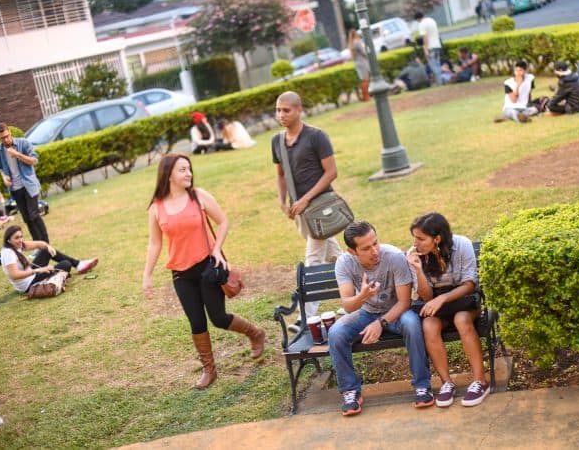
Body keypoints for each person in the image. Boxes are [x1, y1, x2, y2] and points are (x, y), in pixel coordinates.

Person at [142, 153, 265, 389]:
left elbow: (223, 221)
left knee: (218, 318)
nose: (188, 173)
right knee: (196, 322)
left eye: (189, 169)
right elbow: (154, 243)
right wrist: (146, 276)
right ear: (168, 175)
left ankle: (255, 333)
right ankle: (209, 370)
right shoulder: (156, 208)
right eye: (182, 170)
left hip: (208, 266)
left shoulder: (198, 197)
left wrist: (217, 250)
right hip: (180, 273)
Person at [329, 221, 433, 416]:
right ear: (352, 251)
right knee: (336, 333)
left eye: (375, 243)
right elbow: (348, 305)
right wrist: (363, 296)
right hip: (366, 312)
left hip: (396, 312)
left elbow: (404, 302)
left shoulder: (393, 256)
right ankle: (351, 391)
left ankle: (422, 385)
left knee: (412, 324)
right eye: (366, 248)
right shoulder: (344, 262)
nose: (374, 251)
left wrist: (380, 323)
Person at [271, 91, 343, 329]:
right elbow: (281, 174)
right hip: (300, 210)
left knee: (313, 259)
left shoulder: (316, 136)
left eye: (286, 110)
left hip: (321, 208)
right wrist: (283, 201)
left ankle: (306, 315)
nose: (281, 114)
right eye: (278, 110)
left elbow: (331, 172)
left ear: (299, 110)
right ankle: (366, 288)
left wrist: (306, 199)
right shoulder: (277, 141)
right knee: (335, 256)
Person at [407, 212, 490, 407]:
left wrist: (443, 298)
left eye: (421, 238)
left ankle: (480, 381)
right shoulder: (414, 255)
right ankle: (447, 383)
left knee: (461, 319)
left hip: (464, 300)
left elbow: (470, 284)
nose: (415, 243)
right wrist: (418, 269)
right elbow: (427, 297)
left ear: (437, 238)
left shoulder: (462, 245)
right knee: (428, 324)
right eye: (414, 238)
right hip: (437, 304)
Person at [0, 225, 98, 294]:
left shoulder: (16, 245)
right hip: (28, 284)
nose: (20, 240)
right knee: (65, 264)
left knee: (47, 251)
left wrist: (48, 246)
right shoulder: (9, 253)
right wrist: (38, 270)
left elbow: (39, 244)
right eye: (17, 238)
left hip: (32, 274)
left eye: (21, 236)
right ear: (9, 240)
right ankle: (76, 265)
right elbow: (14, 275)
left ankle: (78, 264)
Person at [0, 123, 49, 243]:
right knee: (27, 219)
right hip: (15, 188)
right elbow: (0, 168)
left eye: (7, 136)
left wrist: (17, 154)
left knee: (34, 214)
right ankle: (37, 245)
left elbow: (34, 161)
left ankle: (46, 243)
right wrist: (4, 177)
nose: (6, 139)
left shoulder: (23, 143)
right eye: (2, 138)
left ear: (10, 132)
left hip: (29, 185)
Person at [414, 11, 442, 86]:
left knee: (433, 67)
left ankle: (440, 84)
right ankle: (442, 82)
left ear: (418, 19)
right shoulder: (432, 20)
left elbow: (425, 37)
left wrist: (426, 50)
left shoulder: (422, 24)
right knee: (438, 65)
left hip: (430, 47)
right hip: (437, 45)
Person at [348, 29, 371, 101]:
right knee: (366, 80)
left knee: (363, 80)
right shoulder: (357, 42)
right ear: (356, 34)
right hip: (362, 62)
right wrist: (369, 55)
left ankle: (364, 96)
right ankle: (366, 96)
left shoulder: (351, 43)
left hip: (357, 63)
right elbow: (363, 52)